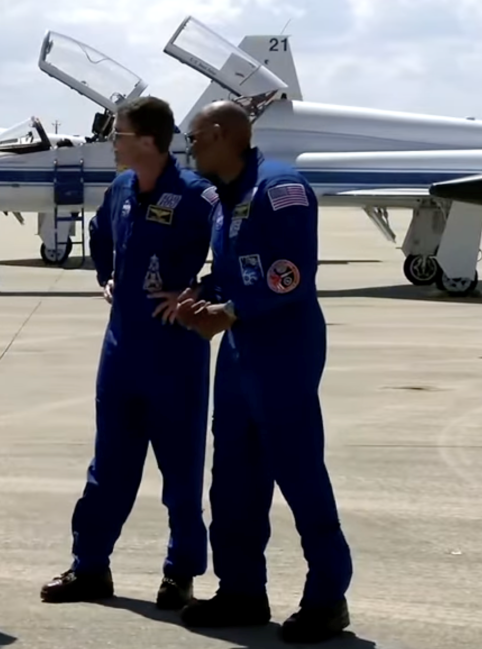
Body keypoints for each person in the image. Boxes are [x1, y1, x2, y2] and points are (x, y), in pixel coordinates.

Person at [155, 100, 353, 644]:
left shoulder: (280, 189)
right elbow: (233, 269)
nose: (190, 149)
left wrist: (230, 311)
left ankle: (327, 598)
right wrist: (202, 293)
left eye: (195, 138)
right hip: (241, 349)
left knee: (298, 470)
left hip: (283, 348)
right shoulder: (226, 198)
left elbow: (291, 273)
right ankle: (242, 590)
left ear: (221, 134)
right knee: (234, 475)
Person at [39, 96, 219, 610]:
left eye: (117, 135)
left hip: (175, 354)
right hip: (121, 353)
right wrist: (107, 276)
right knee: (108, 468)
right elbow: (100, 236)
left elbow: (236, 246)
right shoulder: (120, 188)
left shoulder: (197, 195)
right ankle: (90, 567)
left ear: (146, 140)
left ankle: (180, 573)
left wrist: (201, 292)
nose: (111, 143)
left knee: (181, 472)